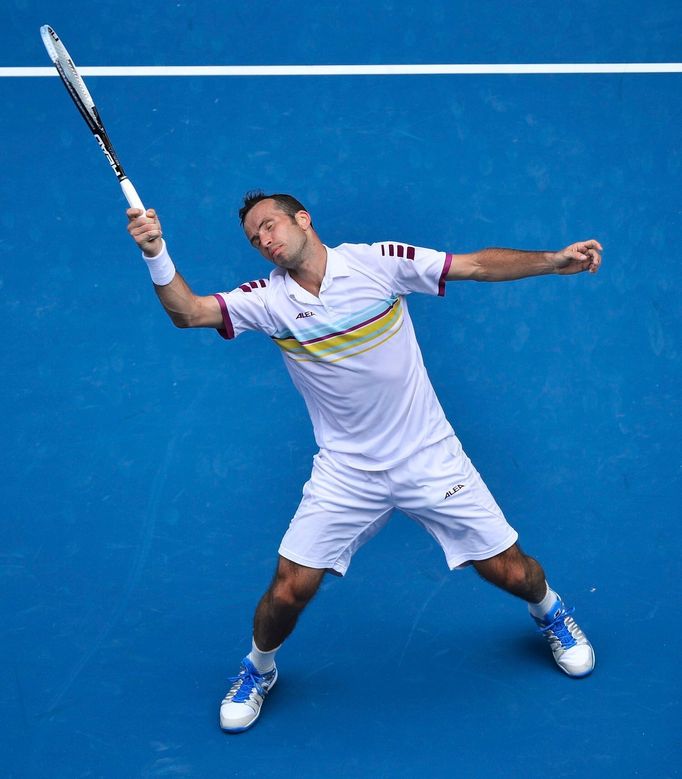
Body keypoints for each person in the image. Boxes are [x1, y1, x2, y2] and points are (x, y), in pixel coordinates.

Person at [127, 192, 602, 733]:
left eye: (270, 224)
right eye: (254, 237)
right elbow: (188, 312)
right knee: (288, 588)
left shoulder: (377, 263)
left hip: (428, 456)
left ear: (303, 219)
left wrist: (553, 260)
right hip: (348, 472)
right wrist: (155, 251)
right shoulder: (266, 300)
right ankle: (258, 669)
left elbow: (472, 265)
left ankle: (551, 612)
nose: (264, 239)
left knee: (512, 571)